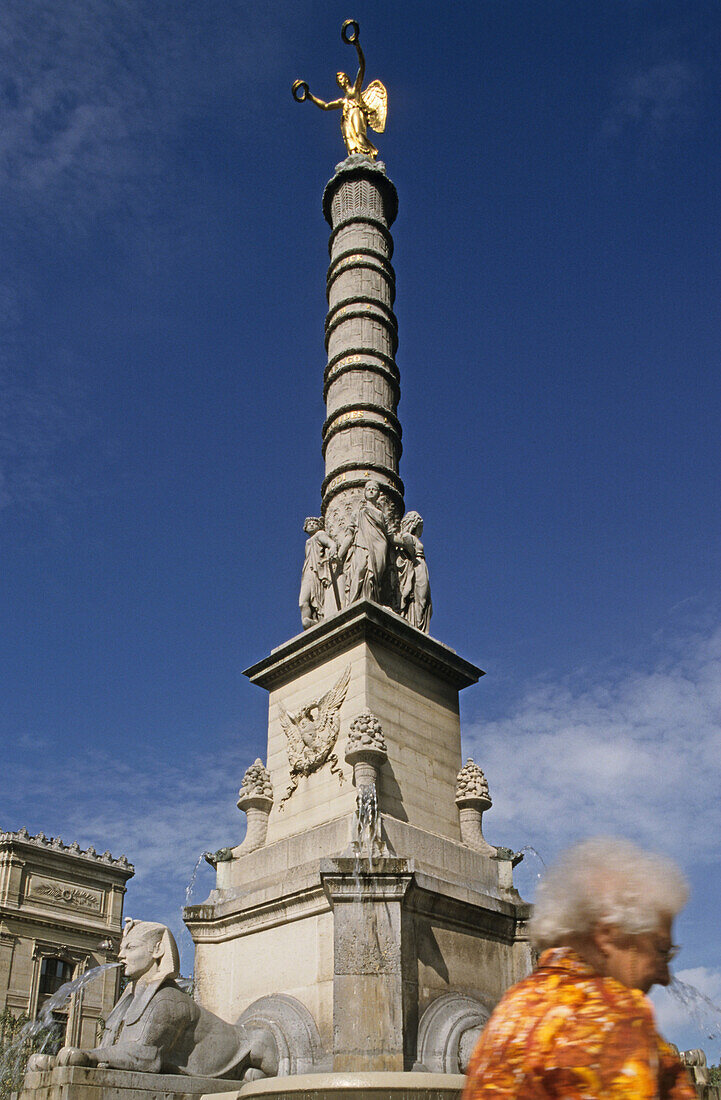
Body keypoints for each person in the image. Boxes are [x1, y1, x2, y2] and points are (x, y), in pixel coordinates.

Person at [463, 837, 695, 1100]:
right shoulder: (612, 1017)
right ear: (608, 935)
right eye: (661, 950)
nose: (665, 976)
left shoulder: (509, 1012)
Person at [35, 919, 277, 1079]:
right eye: (122, 948)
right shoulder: (131, 997)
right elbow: (109, 1051)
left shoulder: (168, 1000)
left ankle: (246, 1068)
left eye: (130, 948)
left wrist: (89, 1056)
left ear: (158, 950)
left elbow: (146, 1056)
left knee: (259, 1042)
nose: (120, 955)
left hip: (247, 1045)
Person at [292, 21, 387, 160]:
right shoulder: (342, 101)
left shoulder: (355, 90)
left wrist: (357, 45)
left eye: (342, 78)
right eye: (339, 81)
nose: (341, 81)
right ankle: (355, 157)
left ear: (347, 79)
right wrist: (310, 97)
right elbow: (325, 106)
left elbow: (362, 66)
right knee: (349, 138)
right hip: (346, 117)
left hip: (356, 111)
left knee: (360, 135)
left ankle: (368, 155)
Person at [336, 480, 391, 604]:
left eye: (374, 489)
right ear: (365, 493)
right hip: (361, 543)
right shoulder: (358, 513)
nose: (371, 490)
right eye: (368, 489)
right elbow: (349, 535)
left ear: (378, 493)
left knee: (376, 577)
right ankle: (354, 600)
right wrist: (339, 554)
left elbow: (390, 535)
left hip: (380, 545)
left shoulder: (382, 515)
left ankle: (372, 599)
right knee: (361, 568)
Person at [299, 516, 338, 629]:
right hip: (308, 571)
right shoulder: (308, 542)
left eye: (314, 523)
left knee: (316, 598)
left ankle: (316, 619)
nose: (311, 525)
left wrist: (333, 550)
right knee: (303, 602)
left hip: (317, 571)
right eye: (309, 523)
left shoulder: (320, 534)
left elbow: (331, 544)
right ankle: (310, 620)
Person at [396, 510, 432, 632]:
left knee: (424, 600)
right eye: (420, 526)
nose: (421, 529)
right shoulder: (408, 536)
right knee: (419, 598)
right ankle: (415, 623)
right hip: (416, 567)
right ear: (415, 524)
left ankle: (418, 624)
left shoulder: (412, 537)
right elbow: (404, 541)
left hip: (421, 566)